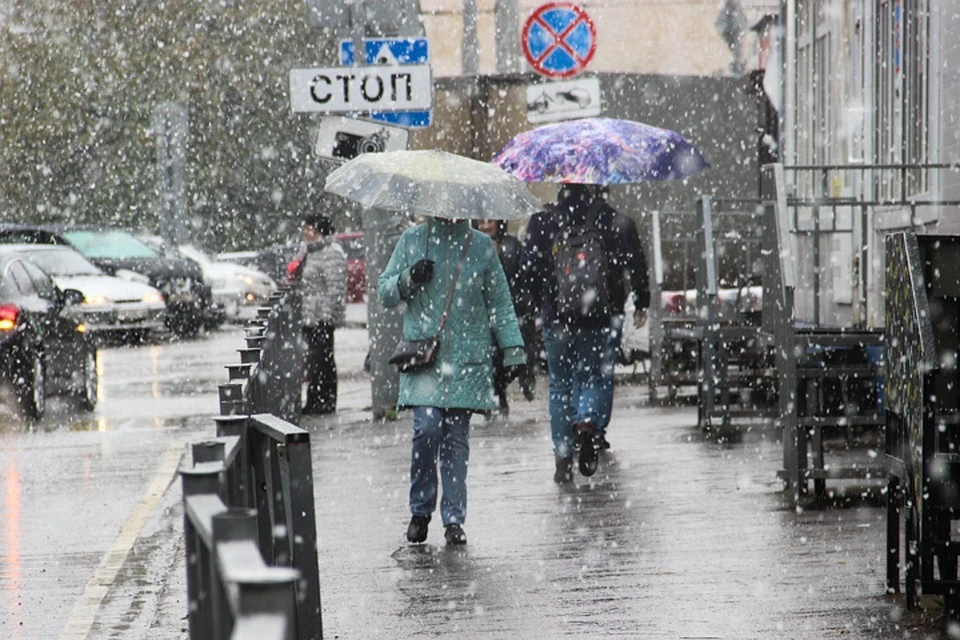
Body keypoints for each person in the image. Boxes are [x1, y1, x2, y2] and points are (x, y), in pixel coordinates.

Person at [378, 216, 525, 546]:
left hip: (467, 359)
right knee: (427, 429)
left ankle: (454, 519)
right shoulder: (412, 240)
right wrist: (408, 278)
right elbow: (385, 291)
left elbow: (499, 302)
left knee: (456, 438)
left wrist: (513, 350)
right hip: (426, 357)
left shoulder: (481, 245)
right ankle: (420, 508)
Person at [520, 184, 649, 483]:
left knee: (561, 385)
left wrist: (539, 303)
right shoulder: (610, 218)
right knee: (593, 376)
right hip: (598, 315)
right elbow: (633, 262)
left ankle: (562, 457)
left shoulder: (543, 220)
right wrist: (641, 299)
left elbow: (526, 269)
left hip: (556, 317)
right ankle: (589, 424)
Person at [593, 187, 650, 451]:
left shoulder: (557, 220)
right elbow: (637, 264)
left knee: (570, 373)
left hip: (567, 311)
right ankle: (596, 428)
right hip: (610, 307)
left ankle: (576, 420)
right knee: (603, 371)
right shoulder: (620, 223)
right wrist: (641, 300)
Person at [475, 219, 535, 416]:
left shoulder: (511, 245)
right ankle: (496, 395)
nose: (485, 226)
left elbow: (520, 276)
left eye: (489, 222)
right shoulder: (473, 246)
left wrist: (499, 256)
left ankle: (524, 379)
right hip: (485, 312)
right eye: (481, 222)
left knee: (515, 352)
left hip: (511, 310)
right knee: (491, 356)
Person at [294, 212, 347, 414]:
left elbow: (335, 289)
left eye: (310, 229)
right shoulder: (310, 252)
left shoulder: (331, 252)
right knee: (314, 361)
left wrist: (326, 317)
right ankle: (315, 399)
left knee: (322, 361)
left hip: (321, 318)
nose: (306, 233)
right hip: (310, 316)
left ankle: (324, 400)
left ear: (319, 231)